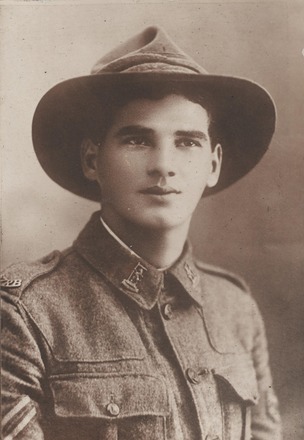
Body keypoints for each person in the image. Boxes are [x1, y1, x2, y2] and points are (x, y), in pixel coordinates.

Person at [1, 26, 282, 440]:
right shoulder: (25, 312)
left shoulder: (235, 309)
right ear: (92, 160)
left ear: (214, 166)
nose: (163, 165)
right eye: (137, 140)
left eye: (187, 142)